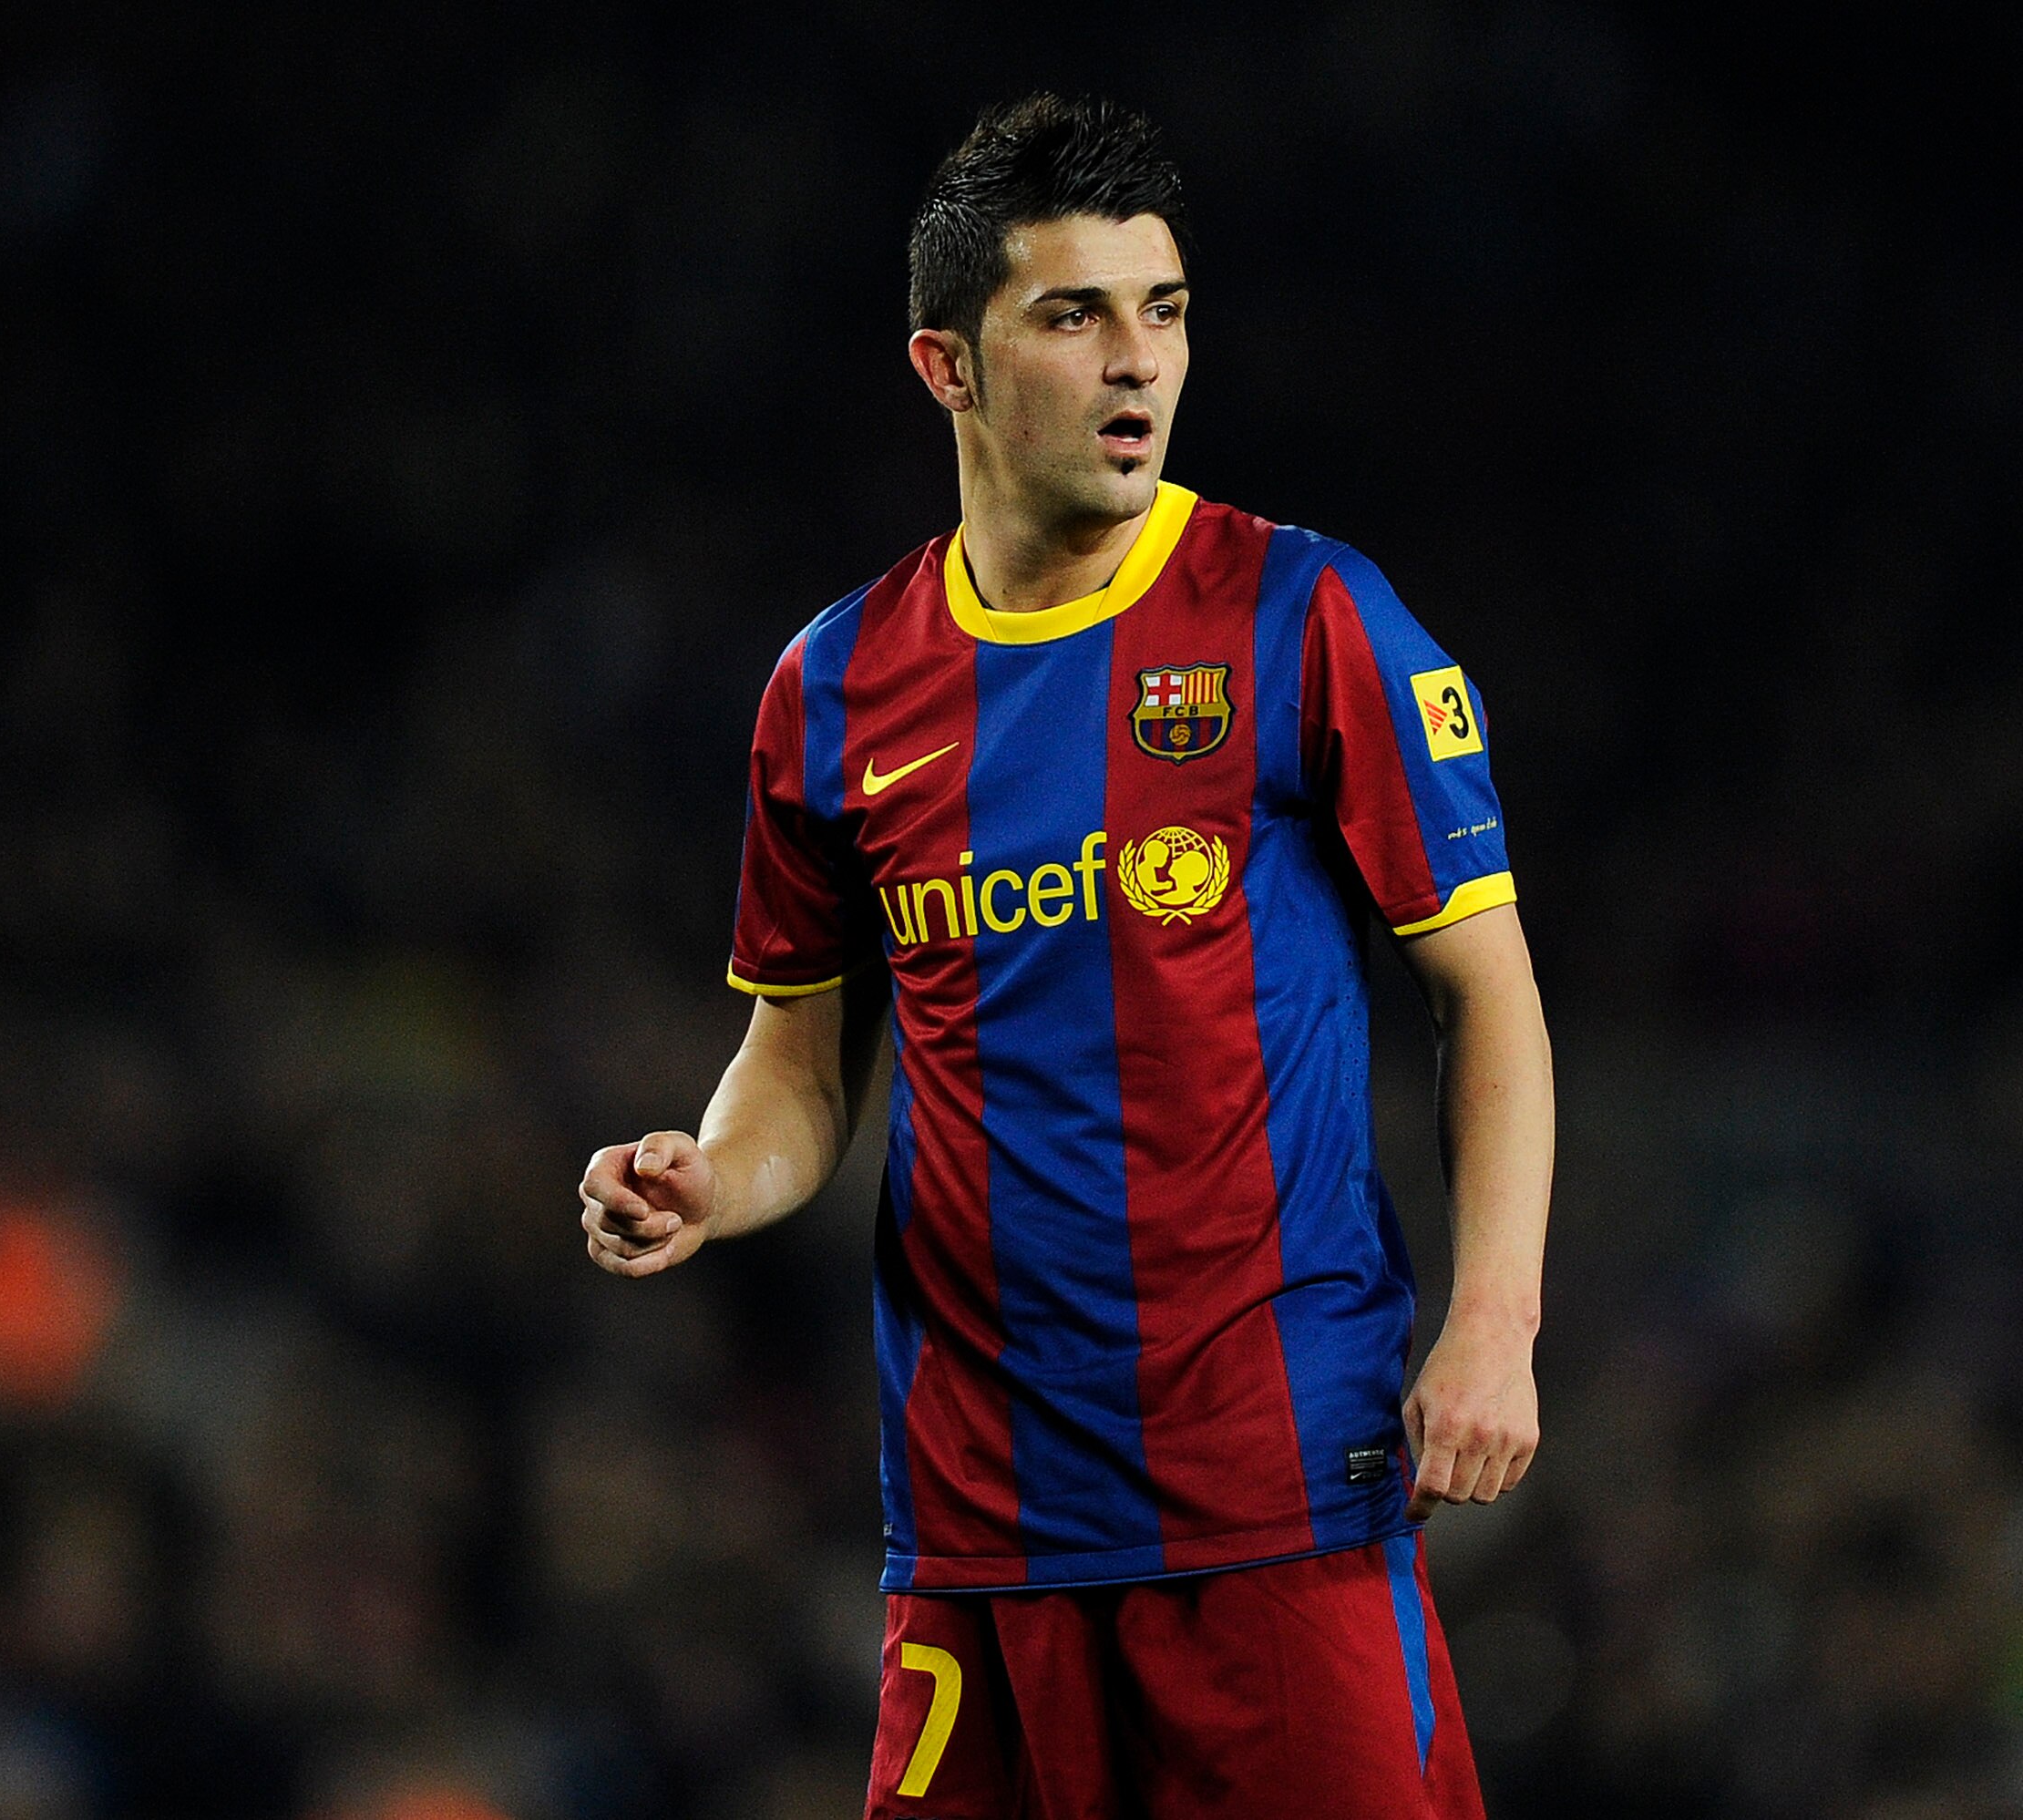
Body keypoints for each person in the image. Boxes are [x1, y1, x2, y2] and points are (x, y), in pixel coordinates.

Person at [578, 93, 1552, 1820]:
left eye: (1163, 310)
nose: (1138, 364)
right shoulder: (834, 687)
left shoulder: (1304, 615)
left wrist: (1492, 1321)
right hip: (978, 1522)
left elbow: (1487, 992)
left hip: (1273, 1491)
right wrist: (710, 1177)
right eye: (1074, 314)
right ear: (944, 365)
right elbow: (799, 1071)